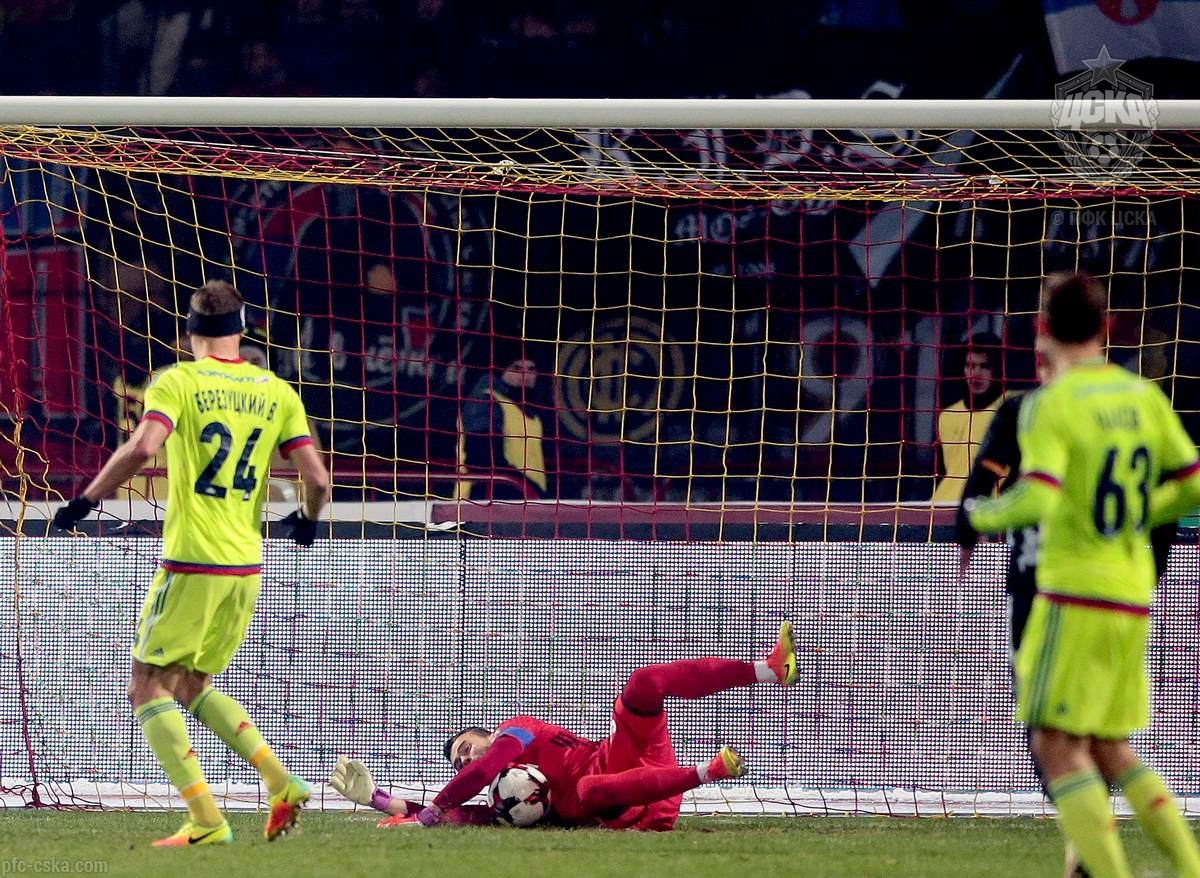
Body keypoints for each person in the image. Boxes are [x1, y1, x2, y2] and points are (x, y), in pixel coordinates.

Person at [53, 280, 332, 847]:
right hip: (246, 564)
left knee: (146, 686)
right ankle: (282, 783)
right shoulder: (278, 391)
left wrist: (85, 500)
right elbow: (319, 480)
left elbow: (143, 448)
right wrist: (307, 519)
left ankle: (206, 819)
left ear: (189, 330)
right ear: (242, 328)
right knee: (189, 683)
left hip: (192, 559)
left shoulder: (176, 381)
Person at [966, 272, 1200, 878]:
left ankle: (1103, 868)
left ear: (1042, 329)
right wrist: (1133, 517)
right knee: (1111, 748)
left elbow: (1039, 496)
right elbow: (1191, 485)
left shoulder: (1050, 405)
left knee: (1053, 743)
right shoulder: (1143, 395)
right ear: (1107, 327)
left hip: (1072, 593)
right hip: (1132, 590)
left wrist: (978, 513)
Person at [328, 622, 798, 830]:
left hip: (627, 754)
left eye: (465, 746)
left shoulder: (515, 733)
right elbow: (454, 814)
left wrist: (433, 808)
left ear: (487, 732)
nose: (466, 758)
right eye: (458, 761)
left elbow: (472, 779)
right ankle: (708, 771)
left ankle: (768, 669)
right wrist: (377, 799)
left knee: (643, 683)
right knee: (590, 789)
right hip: (631, 807)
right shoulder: (504, 802)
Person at [456, 349, 552, 500]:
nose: (525, 375)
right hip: (486, 500)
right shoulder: (486, 402)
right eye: (516, 368)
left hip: (523, 499)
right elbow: (481, 460)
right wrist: (526, 486)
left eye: (531, 369)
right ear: (501, 371)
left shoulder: (528, 410)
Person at [933, 331, 1005, 503]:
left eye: (984, 366)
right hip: (945, 504)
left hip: (992, 505)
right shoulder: (947, 416)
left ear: (996, 369)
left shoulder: (1010, 408)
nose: (976, 373)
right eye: (970, 366)